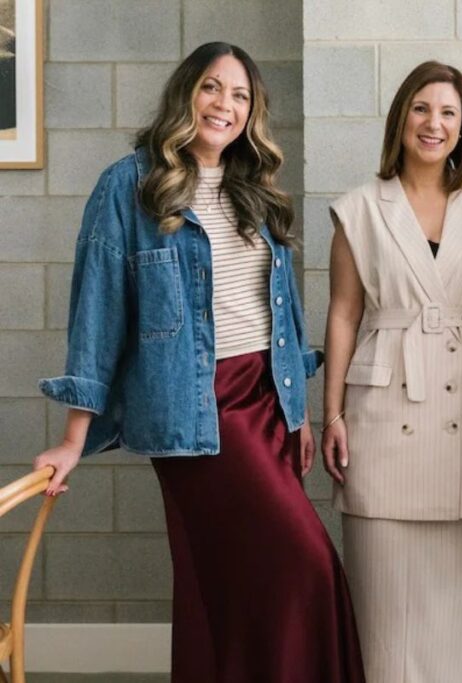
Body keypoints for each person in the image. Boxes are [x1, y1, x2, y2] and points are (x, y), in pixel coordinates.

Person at [33, 41, 365, 683]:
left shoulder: (255, 192)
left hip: (268, 400)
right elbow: (97, 312)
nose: (226, 105)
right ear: (187, 93)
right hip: (195, 410)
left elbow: (283, 314)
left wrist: (296, 413)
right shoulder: (129, 185)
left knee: (235, 585)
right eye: (214, 87)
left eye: (241, 96)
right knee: (306, 564)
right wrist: (74, 438)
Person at [322, 61, 462, 683]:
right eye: (423, 109)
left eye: (449, 112)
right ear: (402, 117)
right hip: (383, 414)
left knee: (459, 614)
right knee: (382, 615)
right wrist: (330, 414)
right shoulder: (359, 209)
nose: (435, 124)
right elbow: (345, 315)